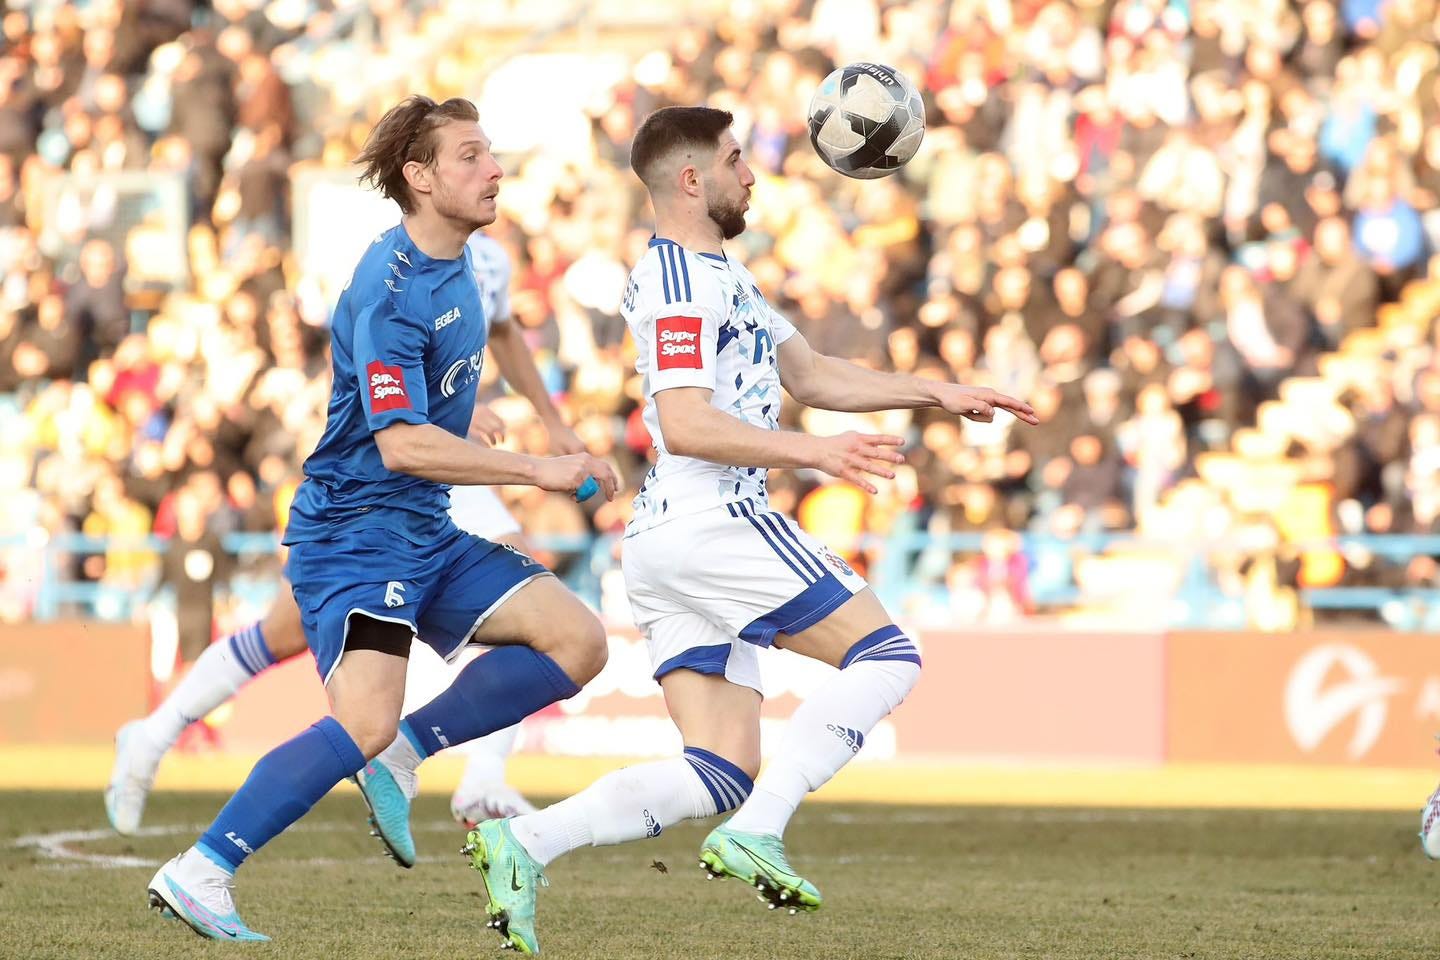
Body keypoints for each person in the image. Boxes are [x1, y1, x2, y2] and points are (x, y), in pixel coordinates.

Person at [456, 106, 1038, 954]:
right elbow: (685, 421)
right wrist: (815, 453)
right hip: (715, 514)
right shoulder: (680, 285)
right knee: (889, 656)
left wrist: (935, 391)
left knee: (717, 768)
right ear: (693, 180)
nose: (752, 174)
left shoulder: (719, 270)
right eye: (736, 160)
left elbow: (810, 372)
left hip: (669, 537)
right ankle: (761, 830)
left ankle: (527, 843)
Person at [145, 95, 618, 943]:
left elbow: (442, 380)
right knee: (359, 720)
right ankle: (202, 868)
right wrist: (539, 467)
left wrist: (506, 422)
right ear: (420, 176)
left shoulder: (465, 261)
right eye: (471, 156)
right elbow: (399, 446)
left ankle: (407, 750)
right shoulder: (389, 289)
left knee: (580, 641)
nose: (495, 170)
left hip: (422, 528)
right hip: (356, 532)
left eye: (492, 153)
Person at [106, 232, 582, 841]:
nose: (490, 169)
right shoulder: (395, 262)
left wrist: (552, 420)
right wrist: (458, 422)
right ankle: (154, 738)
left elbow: (506, 330)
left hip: (446, 470)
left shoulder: (486, 256)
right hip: (388, 473)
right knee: (284, 634)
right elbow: (374, 376)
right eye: (472, 152)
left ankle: (480, 773)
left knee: (529, 600)